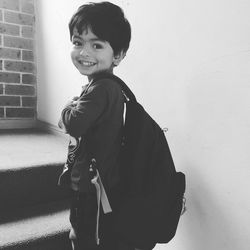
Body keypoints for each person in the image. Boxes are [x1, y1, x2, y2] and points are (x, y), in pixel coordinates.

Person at [58, 2, 135, 250]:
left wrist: (67, 107)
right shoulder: (109, 86)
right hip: (100, 180)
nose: (84, 52)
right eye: (78, 42)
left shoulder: (100, 88)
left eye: (97, 45)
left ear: (119, 55)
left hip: (90, 187)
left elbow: (73, 124)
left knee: (82, 236)